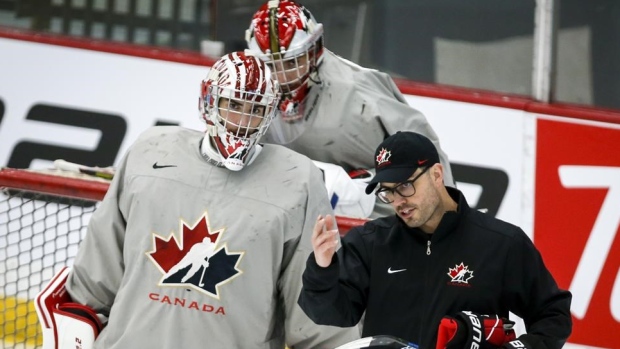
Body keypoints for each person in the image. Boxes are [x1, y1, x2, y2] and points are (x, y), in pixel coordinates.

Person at [37, 51, 359, 349]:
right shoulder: (150, 153)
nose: (243, 121)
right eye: (234, 105)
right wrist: (77, 323)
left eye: (257, 110)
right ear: (209, 100)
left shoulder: (297, 180)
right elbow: (100, 267)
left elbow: (315, 301)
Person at [298, 131, 572, 349]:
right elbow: (332, 314)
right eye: (388, 192)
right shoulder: (370, 243)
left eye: (405, 186)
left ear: (437, 175)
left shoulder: (502, 244)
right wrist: (322, 269)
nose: (397, 201)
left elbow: (553, 314)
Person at [245, 0, 455, 218]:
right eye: (270, 65)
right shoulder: (248, 91)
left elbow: (425, 152)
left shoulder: (359, 91)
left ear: (314, 50)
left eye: (291, 63)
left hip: (374, 220)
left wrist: (447, 218)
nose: (281, 77)